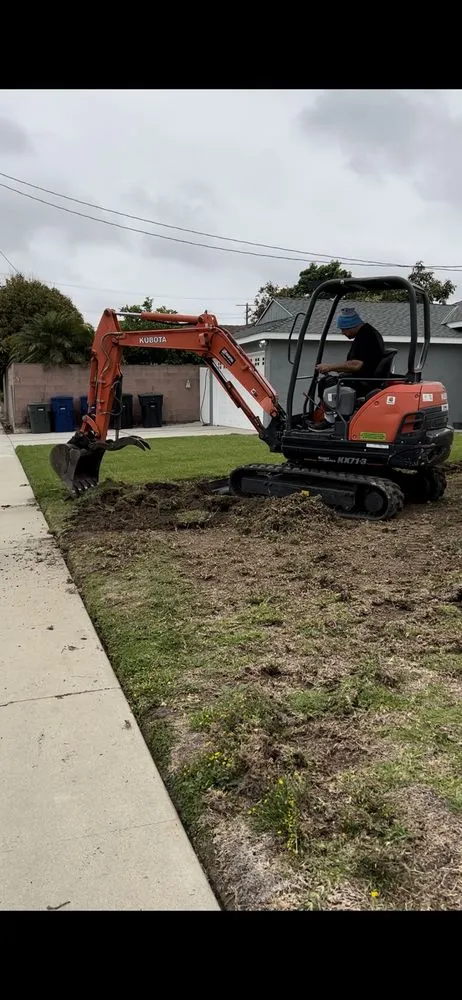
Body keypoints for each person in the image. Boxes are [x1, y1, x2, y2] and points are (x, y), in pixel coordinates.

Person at [310, 307, 385, 430]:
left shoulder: (365, 338)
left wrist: (330, 367)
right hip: (368, 378)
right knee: (333, 380)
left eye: (343, 330)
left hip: (364, 383)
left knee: (326, 382)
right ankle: (334, 417)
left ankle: (330, 420)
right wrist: (339, 369)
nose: (342, 333)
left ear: (351, 326)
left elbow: (356, 365)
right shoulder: (369, 333)